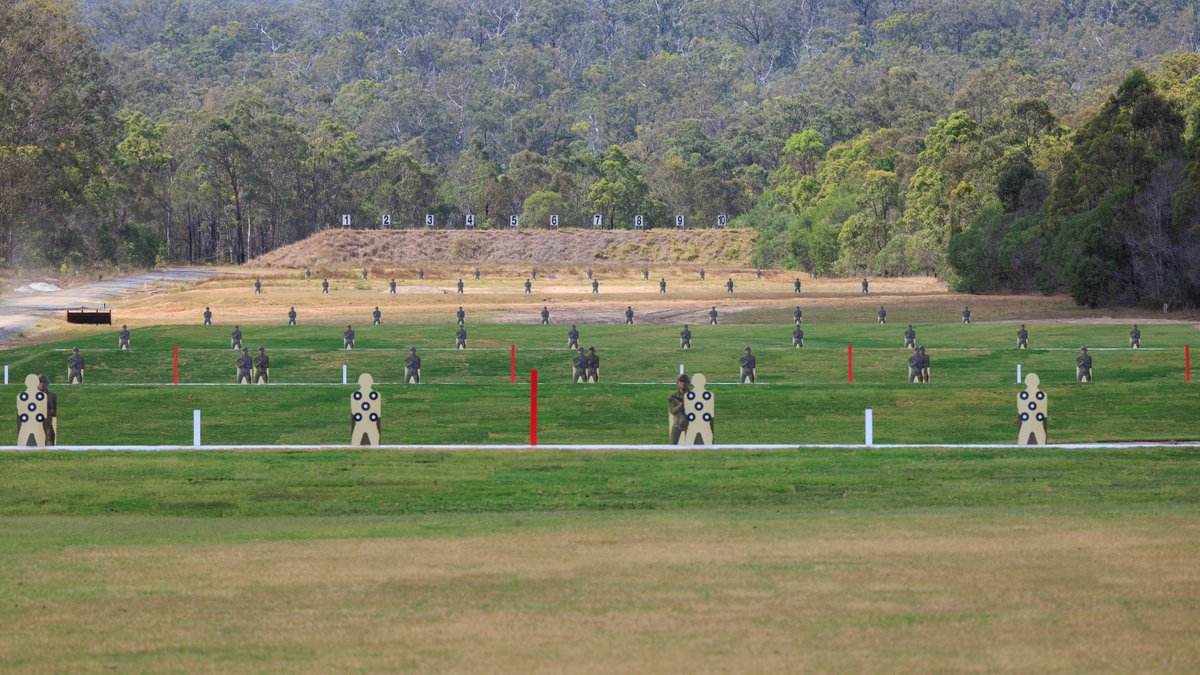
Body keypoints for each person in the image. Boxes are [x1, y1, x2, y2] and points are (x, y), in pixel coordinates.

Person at [668, 374, 690, 444]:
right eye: (681, 381)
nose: (683, 383)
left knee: (692, 445)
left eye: (685, 381)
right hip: (677, 423)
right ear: (677, 383)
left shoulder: (693, 395)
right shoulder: (673, 396)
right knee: (673, 444)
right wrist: (681, 405)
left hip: (691, 423)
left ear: (688, 383)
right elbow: (672, 411)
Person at [38, 375, 56, 445]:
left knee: (50, 437)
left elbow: (56, 410)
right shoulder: (31, 395)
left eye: (44, 382)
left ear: (47, 383)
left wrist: (53, 412)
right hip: (35, 422)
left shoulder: (52, 396)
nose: (42, 384)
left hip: (47, 422)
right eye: (40, 382)